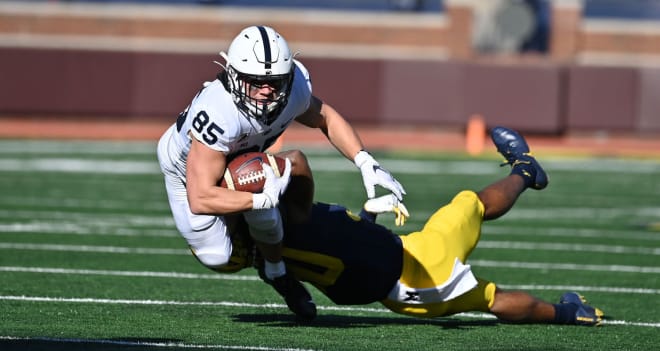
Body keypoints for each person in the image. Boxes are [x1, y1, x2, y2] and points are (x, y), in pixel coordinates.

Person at [225, 126, 603, 326]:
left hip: (409, 252)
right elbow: (297, 160)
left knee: (468, 203)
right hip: (413, 280)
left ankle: (525, 169)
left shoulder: (278, 242)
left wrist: (368, 215)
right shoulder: (284, 232)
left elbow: (341, 250)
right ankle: (572, 314)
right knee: (492, 297)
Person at [156, 25, 406, 321]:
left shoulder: (294, 88)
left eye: (274, 81)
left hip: (246, 160)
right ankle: (260, 231)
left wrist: (364, 160)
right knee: (219, 256)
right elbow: (200, 197)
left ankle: (276, 272)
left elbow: (325, 116)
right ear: (234, 76)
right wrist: (260, 201)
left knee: (265, 183)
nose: (266, 90)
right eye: (255, 81)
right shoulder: (218, 113)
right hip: (187, 171)